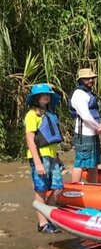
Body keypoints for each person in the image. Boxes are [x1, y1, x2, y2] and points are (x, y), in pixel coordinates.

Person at [24, 83, 64, 234]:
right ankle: (42, 224)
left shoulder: (49, 114)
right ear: (36, 98)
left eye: (48, 94)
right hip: (40, 157)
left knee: (58, 188)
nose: (46, 96)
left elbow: (51, 140)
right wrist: (38, 162)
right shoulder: (31, 115)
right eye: (42, 94)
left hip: (51, 156)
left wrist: (57, 158)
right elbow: (30, 140)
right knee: (41, 190)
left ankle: (48, 217)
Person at [69, 68, 101, 183]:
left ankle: (93, 187)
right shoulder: (79, 94)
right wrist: (98, 127)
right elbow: (85, 115)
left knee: (93, 162)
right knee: (80, 161)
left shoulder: (88, 93)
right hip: (84, 133)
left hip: (92, 132)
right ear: (80, 80)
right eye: (86, 78)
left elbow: (94, 113)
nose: (90, 80)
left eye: (91, 78)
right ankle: (75, 187)